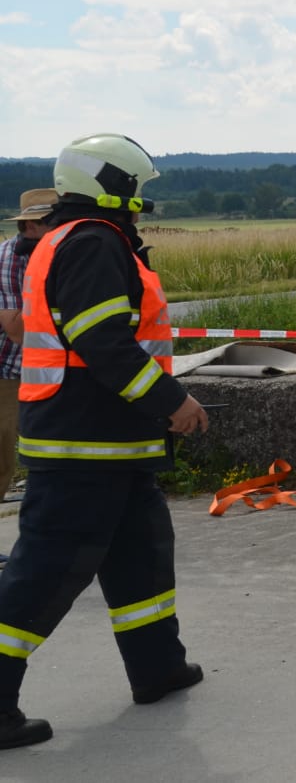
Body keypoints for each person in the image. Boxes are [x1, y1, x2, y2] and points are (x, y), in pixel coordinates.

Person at [0, 134, 210, 751]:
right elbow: (103, 343)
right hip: (81, 446)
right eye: (135, 184)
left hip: (111, 445)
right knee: (45, 574)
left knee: (141, 557)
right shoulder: (92, 242)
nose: (141, 196)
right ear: (110, 184)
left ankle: (156, 667)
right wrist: (173, 401)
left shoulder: (83, 237)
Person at [0, 190, 59, 520]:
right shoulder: (11, 258)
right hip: (6, 368)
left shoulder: (65, 253)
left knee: (53, 456)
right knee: (1, 461)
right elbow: (18, 331)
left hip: (45, 370)